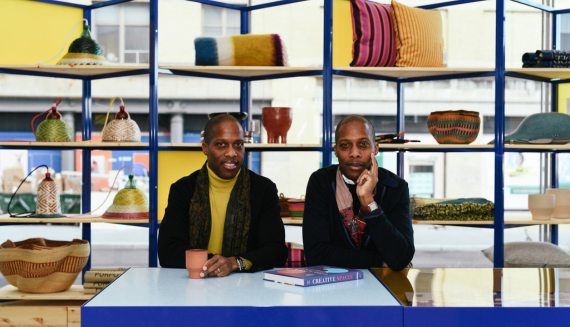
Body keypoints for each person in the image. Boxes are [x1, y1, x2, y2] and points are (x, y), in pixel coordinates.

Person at [158, 114, 287, 276]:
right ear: (205, 148)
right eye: (221, 145)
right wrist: (216, 264)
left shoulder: (263, 189)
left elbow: (276, 250)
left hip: (247, 289)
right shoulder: (184, 190)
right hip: (193, 287)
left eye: (238, 145)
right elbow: (168, 252)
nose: (232, 153)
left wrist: (234, 263)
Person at [303, 115, 414, 271]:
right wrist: (380, 261)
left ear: (375, 148)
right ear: (335, 150)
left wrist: (369, 202)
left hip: (382, 289)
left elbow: (402, 256)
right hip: (332, 288)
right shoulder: (321, 182)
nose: (354, 153)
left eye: (363, 144)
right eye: (345, 145)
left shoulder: (395, 187)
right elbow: (316, 255)